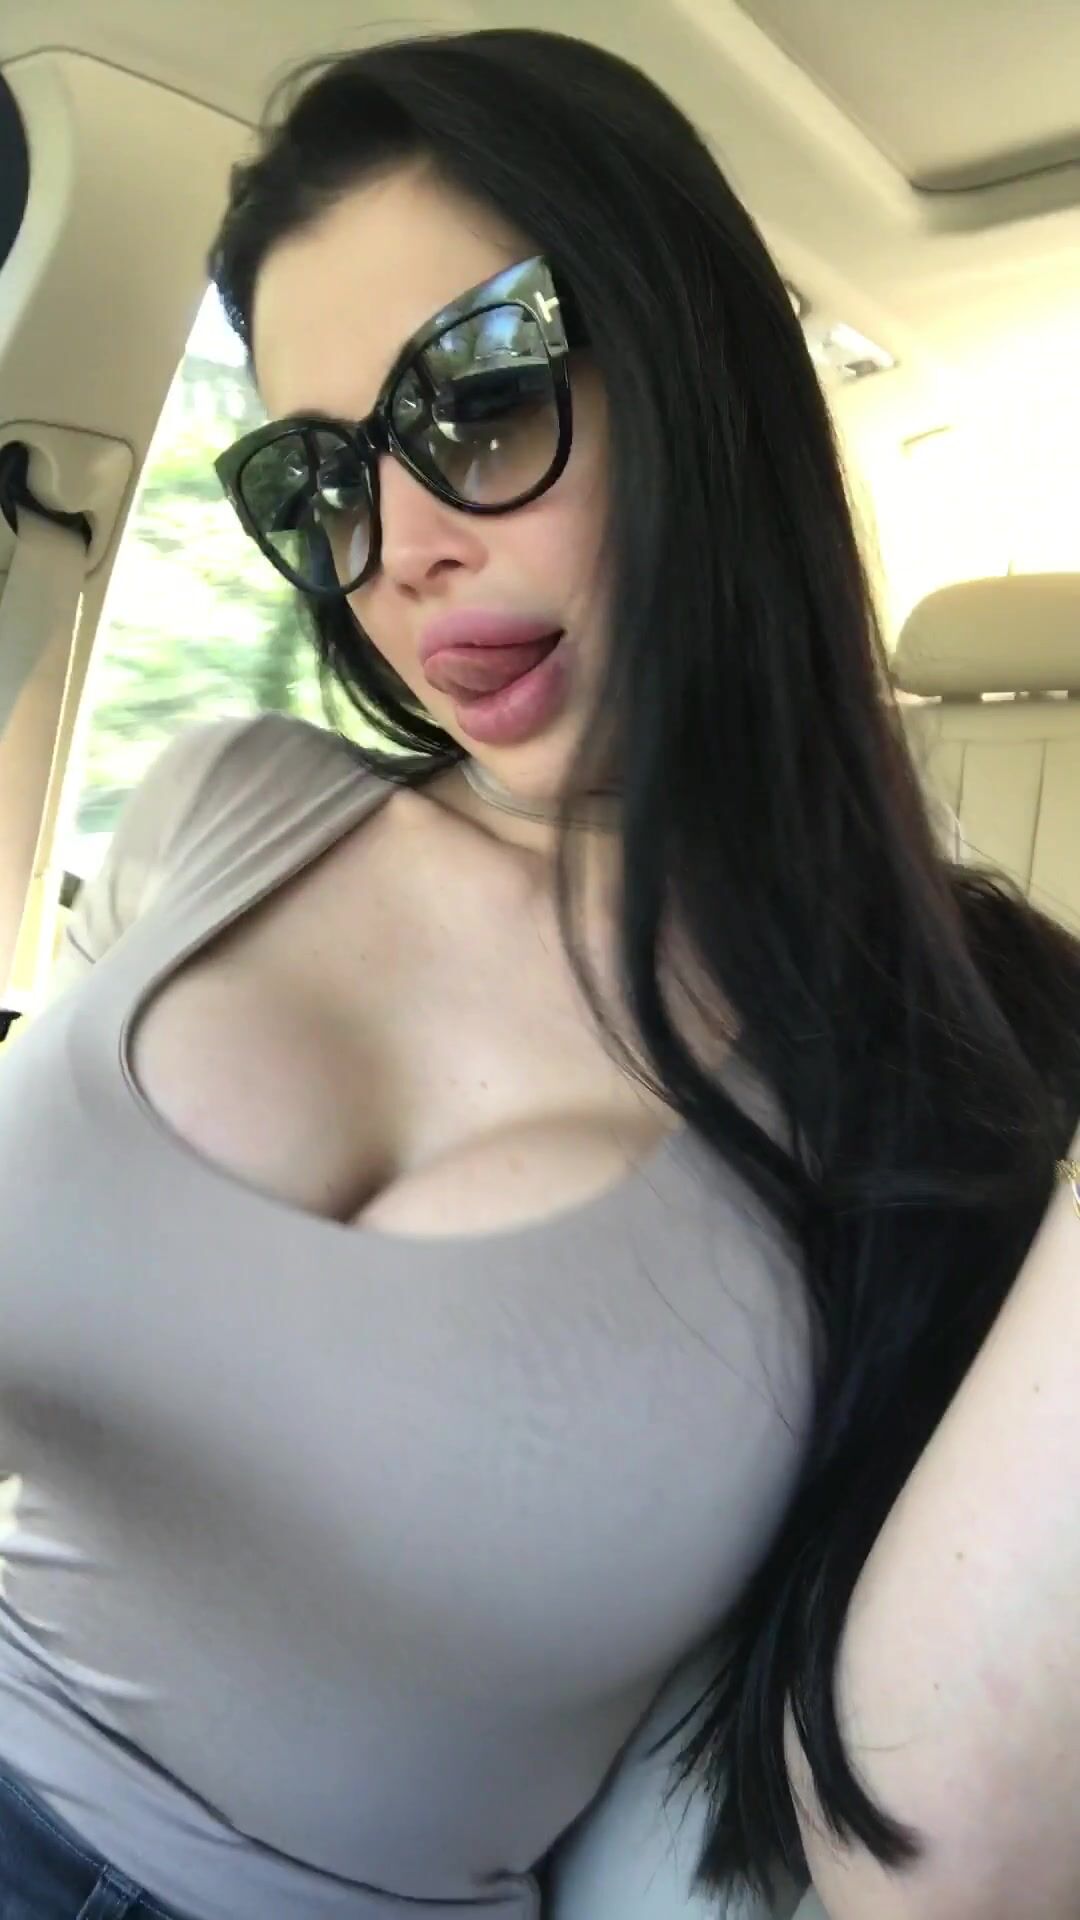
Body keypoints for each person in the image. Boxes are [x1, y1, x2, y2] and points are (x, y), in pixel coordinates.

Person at [1, 26, 1078, 1920]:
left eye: (478, 405)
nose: (399, 553)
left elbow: (929, 1862)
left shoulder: (983, 1062)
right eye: (321, 482)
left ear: (693, 371)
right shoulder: (217, 804)